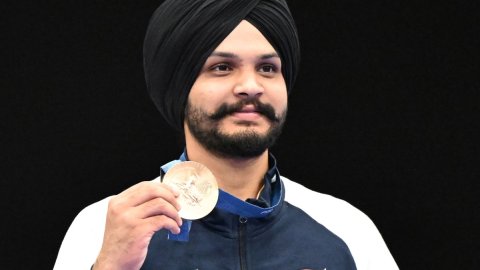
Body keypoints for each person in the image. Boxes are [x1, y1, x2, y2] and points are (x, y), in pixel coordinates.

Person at [54, 0, 398, 269]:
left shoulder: (347, 229)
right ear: (179, 87)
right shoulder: (104, 226)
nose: (250, 86)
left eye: (267, 68)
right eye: (221, 67)